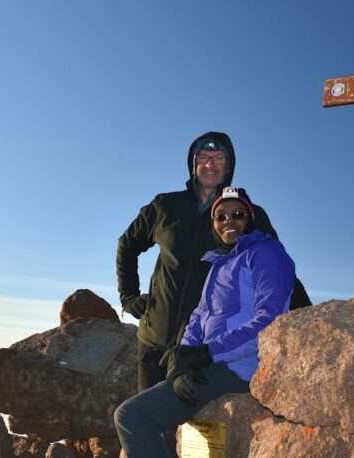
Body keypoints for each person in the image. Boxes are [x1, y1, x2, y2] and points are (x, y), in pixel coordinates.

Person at [114, 186, 296, 457]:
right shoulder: (219, 263)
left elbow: (269, 321)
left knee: (131, 416)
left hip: (240, 367)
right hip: (211, 364)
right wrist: (182, 359)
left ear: (250, 219)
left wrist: (206, 353)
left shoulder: (266, 253)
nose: (228, 221)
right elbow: (199, 317)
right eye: (220, 216)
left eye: (237, 214)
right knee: (160, 429)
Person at [116, 132, 278, 392]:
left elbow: (273, 270)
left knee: (201, 430)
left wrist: (302, 319)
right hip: (154, 344)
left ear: (229, 166)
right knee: (150, 422)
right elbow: (127, 245)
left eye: (218, 158)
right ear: (193, 164)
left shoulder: (247, 215)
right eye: (203, 157)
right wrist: (128, 296)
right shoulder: (165, 206)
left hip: (206, 351)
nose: (210, 164)